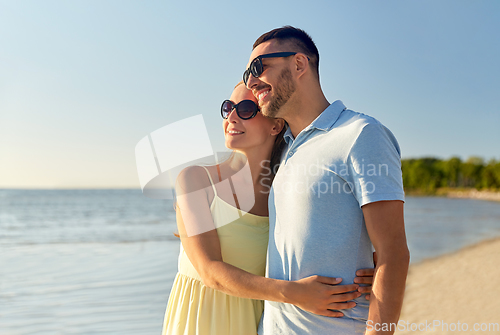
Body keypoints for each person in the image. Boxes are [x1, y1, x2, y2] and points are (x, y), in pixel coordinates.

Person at [161, 82, 376, 335]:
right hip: (200, 322)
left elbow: (322, 240)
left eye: (245, 109)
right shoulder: (195, 180)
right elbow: (210, 272)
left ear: (275, 125)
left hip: (260, 324)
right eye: (228, 107)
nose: (231, 117)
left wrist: (368, 271)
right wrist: (297, 294)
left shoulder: (286, 192)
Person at [243, 26, 410, 335]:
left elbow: (394, 253)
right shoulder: (283, 149)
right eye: (247, 74)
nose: (251, 81)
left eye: (258, 67)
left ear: (298, 64)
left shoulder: (360, 134)